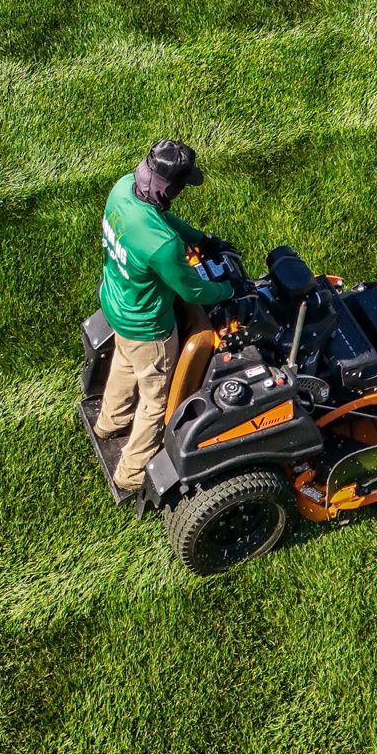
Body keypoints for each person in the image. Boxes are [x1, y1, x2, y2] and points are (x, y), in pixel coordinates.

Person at [95, 139, 233, 498]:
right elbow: (193, 292)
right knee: (156, 399)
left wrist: (200, 239)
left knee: (125, 364)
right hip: (148, 327)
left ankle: (109, 423)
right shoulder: (161, 245)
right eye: (183, 185)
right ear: (170, 186)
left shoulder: (123, 187)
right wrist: (229, 291)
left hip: (116, 304)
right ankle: (130, 473)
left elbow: (161, 218)